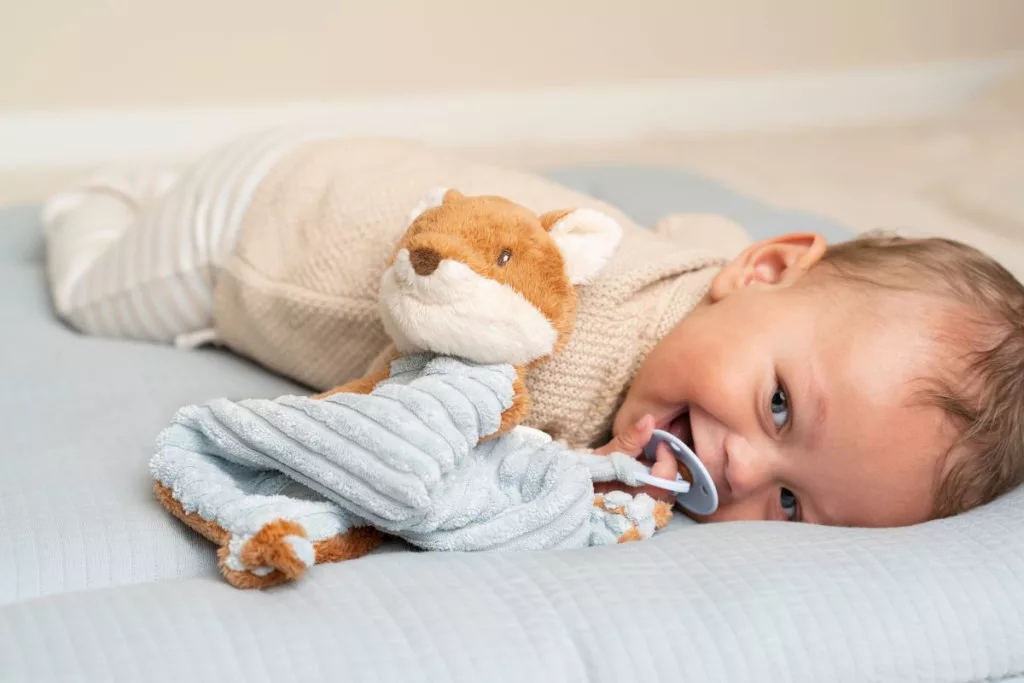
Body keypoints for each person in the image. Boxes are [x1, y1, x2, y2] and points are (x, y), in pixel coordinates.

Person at [42, 131, 1024, 529]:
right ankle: (103, 194)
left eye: (791, 504)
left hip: (361, 164)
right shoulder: (564, 363)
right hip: (253, 227)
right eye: (776, 405)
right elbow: (429, 456)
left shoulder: (718, 279)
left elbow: (693, 226)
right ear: (762, 268)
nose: (737, 469)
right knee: (97, 292)